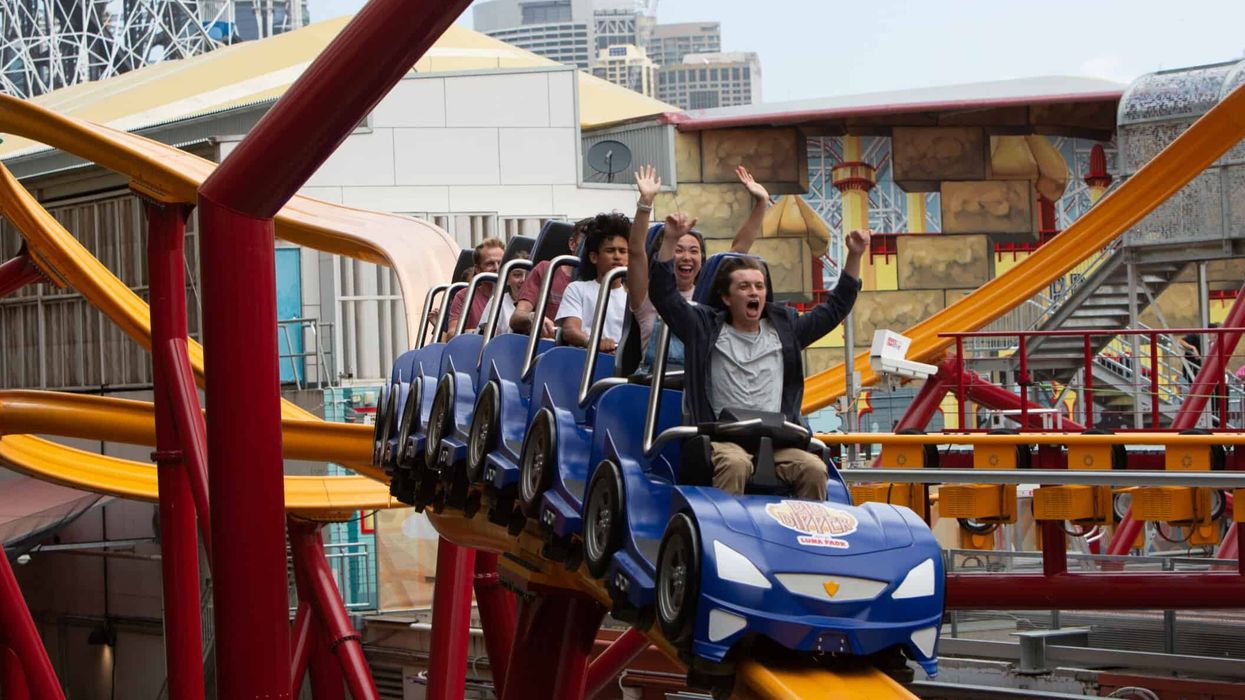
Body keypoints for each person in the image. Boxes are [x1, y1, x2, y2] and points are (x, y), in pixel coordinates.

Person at [649, 217, 869, 500]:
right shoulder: (703, 328)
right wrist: (669, 239)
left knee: (813, 468)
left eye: (759, 286)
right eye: (744, 287)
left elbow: (834, 309)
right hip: (723, 440)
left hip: (776, 441)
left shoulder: (786, 329)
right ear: (726, 298)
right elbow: (664, 295)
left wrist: (854, 255)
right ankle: (725, 527)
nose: (753, 292)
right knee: (735, 464)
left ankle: (803, 529)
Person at [627, 164, 770, 371]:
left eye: (694, 251)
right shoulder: (647, 296)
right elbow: (635, 252)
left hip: (698, 382)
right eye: (678, 250)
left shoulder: (706, 294)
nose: (687, 257)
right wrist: (645, 202)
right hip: (655, 383)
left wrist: (761, 203)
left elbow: (737, 251)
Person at [556, 213, 630, 353]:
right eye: (610, 251)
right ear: (594, 257)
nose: (617, 256)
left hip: (623, 361)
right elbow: (570, 330)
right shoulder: (577, 289)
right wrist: (594, 343)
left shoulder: (633, 296)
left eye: (622, 251)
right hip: (587, 358)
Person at [509, 218, 589, 337]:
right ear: (572, 244)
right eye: (586, 243)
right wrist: (534, 317)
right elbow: (517, 317)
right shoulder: (546, 270)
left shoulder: (606, 282)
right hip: (547, 344)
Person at [444, 237, 505, 340]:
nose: (497, 268)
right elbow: (452, 334)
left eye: (501, 263)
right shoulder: (464, 296)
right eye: (490, 264)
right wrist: (479, 332)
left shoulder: (515, 294)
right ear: (478, 269)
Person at [480, 250, 529, 334]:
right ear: (507, 280)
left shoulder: (542, 304)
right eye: (517, 275)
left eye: (529, 275)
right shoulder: (498, 302)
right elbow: (490, 338)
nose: (523, 280)